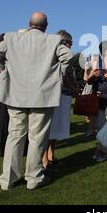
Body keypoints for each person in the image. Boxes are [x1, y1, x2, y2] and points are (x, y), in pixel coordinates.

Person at [0, 12, 73, 190]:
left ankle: (8, 178)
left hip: (16, 93)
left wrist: (2, 73)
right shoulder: (54, 40)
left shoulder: (12, 38)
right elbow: (69, 57)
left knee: (15, 135)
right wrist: (58, 75)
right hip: (43, 95)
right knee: (37, 137)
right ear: (46, 25)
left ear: (29, 24)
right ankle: (34, 178)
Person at [42, 30, 79, 170]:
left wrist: (74, 87)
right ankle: (44, 160)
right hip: (54, 95)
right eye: (69, 43)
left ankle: (51, 156)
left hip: (63, 95)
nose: (70, 46)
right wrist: (74, 88)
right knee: (49, 130)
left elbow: (68, 75)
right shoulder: (54, 55)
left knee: (56, 130)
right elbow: (62, 76)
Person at [86, 40, 107, 133]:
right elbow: (89, 82)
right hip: (100, 98)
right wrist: (93, 76)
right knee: (101, 125)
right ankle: (101, 147)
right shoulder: (97, 64)